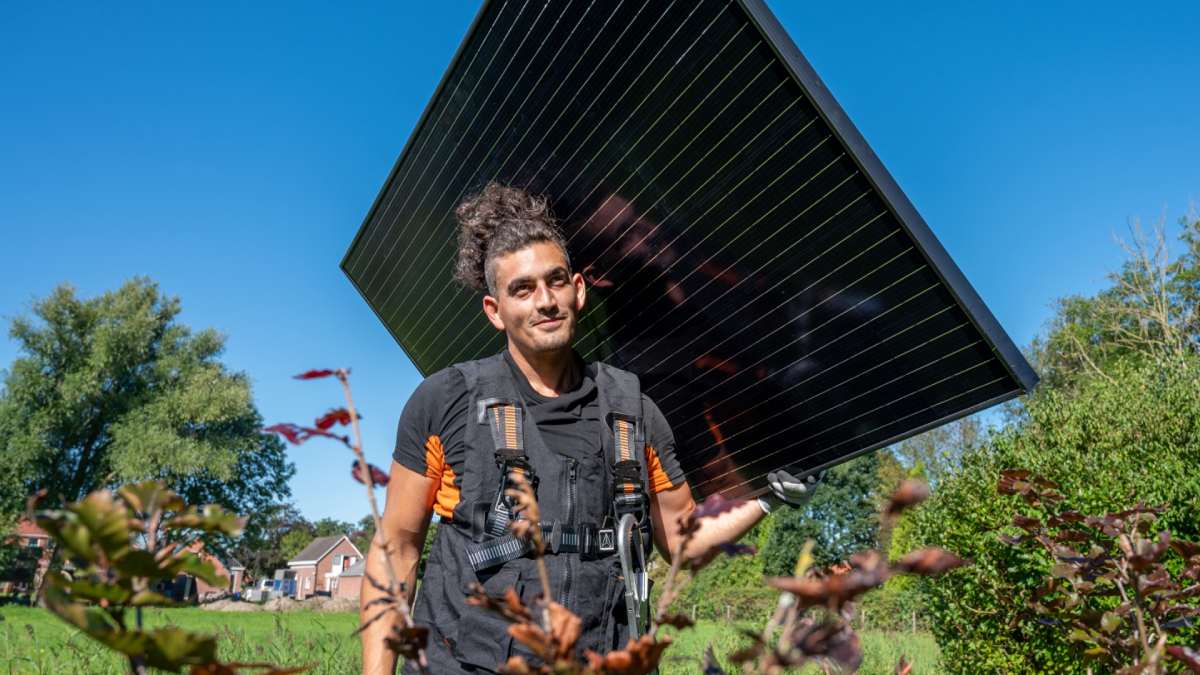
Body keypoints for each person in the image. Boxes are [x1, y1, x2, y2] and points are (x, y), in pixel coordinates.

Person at [360, 182, 818, 674]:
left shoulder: (632, 409)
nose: (544, 301)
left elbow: (683, 539)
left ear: (578, 290)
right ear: (495, 311)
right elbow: (396, 553)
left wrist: (769, 495)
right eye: (522, 289)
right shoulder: (444, 401)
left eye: (555, 281)